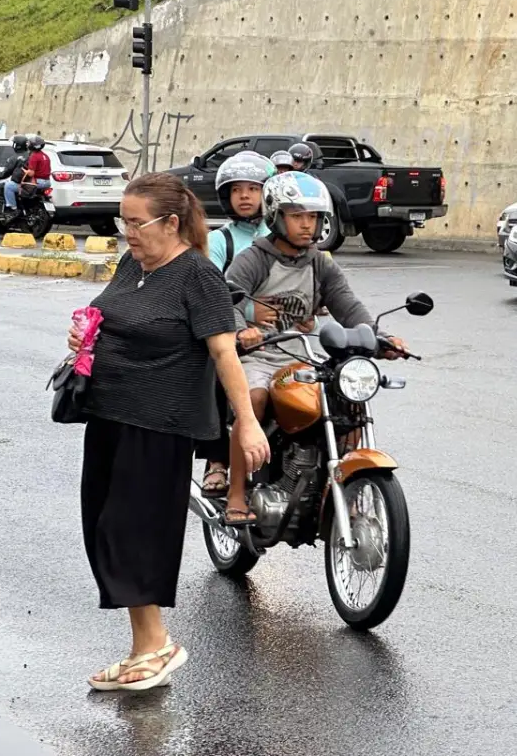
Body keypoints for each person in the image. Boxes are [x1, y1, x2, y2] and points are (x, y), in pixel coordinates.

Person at [68, 172, 270, 692]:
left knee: (134, 531)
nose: (128, 232)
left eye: (137, 223)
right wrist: (85, 337)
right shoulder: (130, 264)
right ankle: (144, 648)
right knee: (103, 528)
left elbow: (224, 352)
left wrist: (246, 423)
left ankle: (157, 643)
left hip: (160, 424)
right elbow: (114, 318)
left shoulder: (197, 275)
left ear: (171, 222)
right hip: (109, 416)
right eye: (124, 222)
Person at [222, 171, 408, 525]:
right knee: (253, 401)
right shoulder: (254, 258)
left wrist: (380, 338)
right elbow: (226, 298)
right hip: (258, 355)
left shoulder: (320, 262)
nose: (307, 225)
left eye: (313, 217)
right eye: (297, 216)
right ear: (276, 216)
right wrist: (241, 330)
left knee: (346, 401)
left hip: (302, 354)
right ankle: (237, 492)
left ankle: (338, 488)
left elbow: (348, 306)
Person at [195, 153, 275, 498]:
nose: (244, 196)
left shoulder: (283, 235)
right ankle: (217, 460)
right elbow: (212, 292)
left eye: (253, 189)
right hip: (233, 334)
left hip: (282, 338)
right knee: (217, 371)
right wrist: (249, 319)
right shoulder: (220, 241)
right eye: (237, 190)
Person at [4, 135, 51, 218]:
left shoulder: (34, 156)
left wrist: (24, 170)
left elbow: (31, 173)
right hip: (47, 182)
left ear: (32, 146)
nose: (28, 144)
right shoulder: (45, 156)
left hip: (37, 183)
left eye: (29, 143)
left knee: (9, 186)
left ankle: (13, 209)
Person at [0, 135, 29, 217]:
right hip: (29, 182)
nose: (13, 145)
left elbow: (4, 174)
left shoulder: (15, 158)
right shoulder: (30, 155)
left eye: (14, 143)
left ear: (17, 145)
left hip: (19, 183)